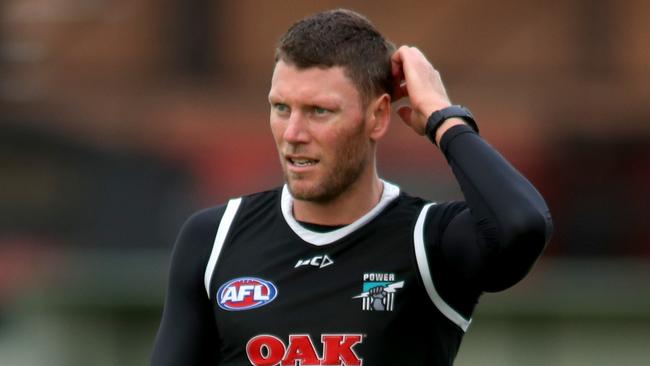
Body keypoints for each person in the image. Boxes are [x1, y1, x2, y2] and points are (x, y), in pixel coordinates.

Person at [151, 8, 553, 366]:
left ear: (378, 117)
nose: (293, 133)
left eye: (319, 111)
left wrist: (444, 119)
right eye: (281, 108)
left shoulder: (429, 240)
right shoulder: (214, 239)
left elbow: (522, 225)